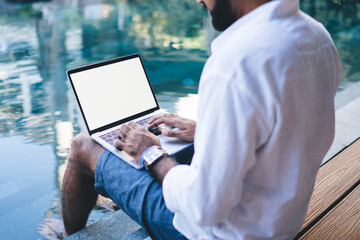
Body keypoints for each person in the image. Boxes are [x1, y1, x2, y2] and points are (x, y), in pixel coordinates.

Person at [61, 0, 342, 239]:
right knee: (169, 149)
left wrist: (150, 152)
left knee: (84, 144)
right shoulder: (317, 36)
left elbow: (204, 206)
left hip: (214, 233)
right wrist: (206, 132)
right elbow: (286, 132)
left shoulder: (235, 63)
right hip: (281, 223)